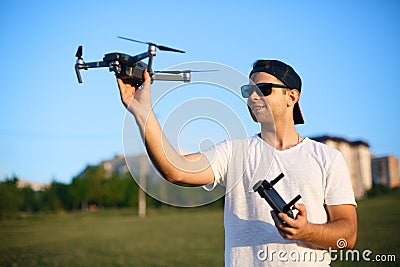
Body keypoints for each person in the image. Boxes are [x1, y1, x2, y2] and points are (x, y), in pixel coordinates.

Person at [117, 59, 357, 266]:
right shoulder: (234, 152)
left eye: (263, 89)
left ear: (292, 96)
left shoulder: (327, 157)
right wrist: (142, 111)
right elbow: (174, 169)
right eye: (248, 90)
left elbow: (349, 233)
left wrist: (307, 231)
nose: (252, 97)